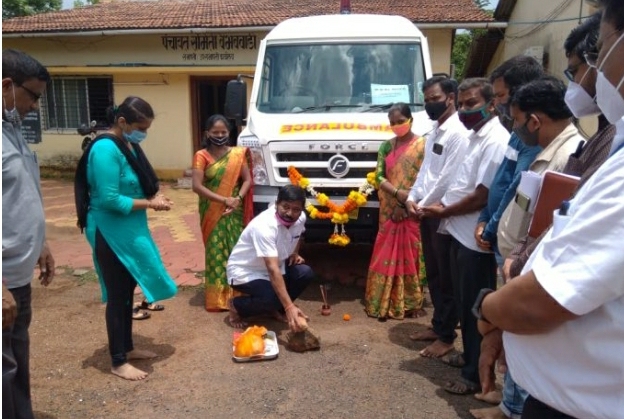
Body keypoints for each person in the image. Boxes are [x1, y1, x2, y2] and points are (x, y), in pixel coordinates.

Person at [474, 2, 624, 417]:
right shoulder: (610, 144)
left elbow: (542, 301)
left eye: (596, 55)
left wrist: (488, 310)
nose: (591, 72)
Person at [74, 96, 177, 381]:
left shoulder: (127, 145)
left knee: (128, 289)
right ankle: (118, 361)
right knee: (119, 296)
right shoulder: (106, 149)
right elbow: (108, 200)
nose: (143, 132)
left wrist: (152, 195)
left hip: (128, 228)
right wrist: (150, 204)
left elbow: (134, 184)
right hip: (110, 230)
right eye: (140, 127)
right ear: (122, 122)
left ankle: (128, 348)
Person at [420, 77, 508, 395]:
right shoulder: (475, 136)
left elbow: (482, 195)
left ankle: (474, 376)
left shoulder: (495, 140)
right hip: (459, 232)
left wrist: (443, 211)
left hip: (474, 238)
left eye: (472, 104)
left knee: (475, 309)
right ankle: (469, 359)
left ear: (493, 104)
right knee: (463, 301)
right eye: (463, 104)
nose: (465, 110)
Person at [2, 49, 55, 419]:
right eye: (33, 96)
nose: (35, 106)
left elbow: (20, 194)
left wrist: (42, 243)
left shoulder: (12, 132)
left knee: (16, 366)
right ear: (7, 86)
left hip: (17, 279)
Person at [405, 77, 470, 353]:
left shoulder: (458, 133)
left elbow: (447, 178)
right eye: (427, 100)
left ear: (451, 98)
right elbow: (426, 172)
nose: (430, 104)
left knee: (446, 275)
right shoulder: (435, 130)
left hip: (443, 212)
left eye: (435, 98)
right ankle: (438, 324)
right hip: (426, 210)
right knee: (433, 272)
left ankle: (446, 337)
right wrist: (411, 197)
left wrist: (423, 205)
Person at [475, 55, 543, 261]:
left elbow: (516, 187)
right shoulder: (517, 132)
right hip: (496, 232)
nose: (496, 103)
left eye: (500, 95)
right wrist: (484, 217)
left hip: (511, 241)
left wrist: (490, 227)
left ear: (521, 91)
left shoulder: (533, 137)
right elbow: (501, 178)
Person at [364, 103, 427, 320]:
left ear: (410, 120)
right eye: (392, 123)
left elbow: (426, 179)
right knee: (385, 252)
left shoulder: (423, 145)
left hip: (412, 209)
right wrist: (398, 194)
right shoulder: (386, 147)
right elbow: (379, 176)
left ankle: (410, 302)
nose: (396, 126)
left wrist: (405, 202)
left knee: (412, 253)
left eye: (400, 121)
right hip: (389, 209)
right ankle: (382, 301)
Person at [226, 185, 313, 332]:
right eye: (285, 207)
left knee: (305, 273)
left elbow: (299, 234)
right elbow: (272, 269)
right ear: (276, 203)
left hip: (277, 266)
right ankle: (236, 305)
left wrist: (294, 253)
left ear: (301, 210)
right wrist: (290, 306)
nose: (290, 213)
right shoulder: (264, 226)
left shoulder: (300, 218)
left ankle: (277, 309)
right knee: (270, 298)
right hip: (246, 270)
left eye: (296, 209)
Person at [192, 114, 253, 312]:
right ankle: (217, 298)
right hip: (212, 210)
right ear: (207, 133)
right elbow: (196, 186)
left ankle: (238, 294)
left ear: (229, 133)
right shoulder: (201, 156)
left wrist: (238, 199)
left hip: (234, 210)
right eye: (215, 132)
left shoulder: (238, 154)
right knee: (215, 252)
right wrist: (223, 200)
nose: (220, 135)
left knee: (237, 251)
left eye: (223, 132)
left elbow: (247, 180)